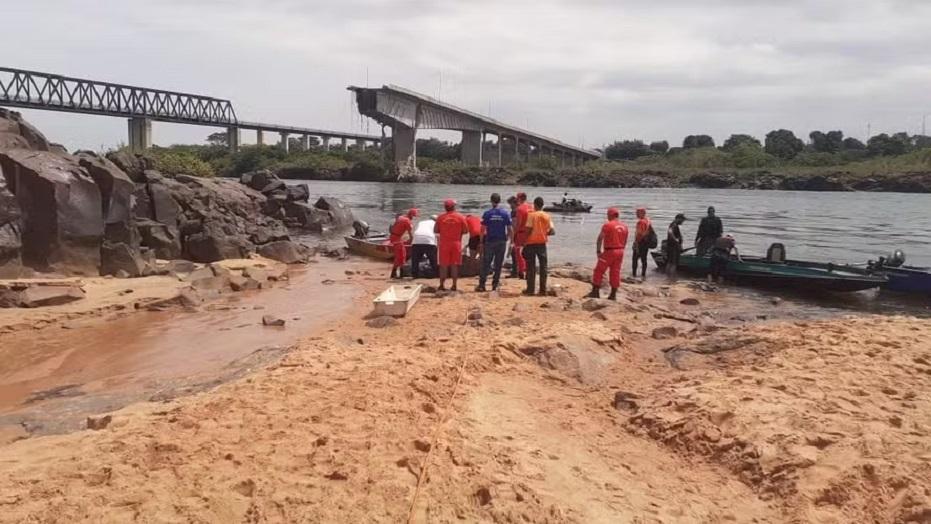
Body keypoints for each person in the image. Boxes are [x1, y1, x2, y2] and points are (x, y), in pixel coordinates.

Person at [587, 207, 629, 300]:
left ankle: (595, 292)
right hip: (620, 250)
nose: (607, 217)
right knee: (615, 272)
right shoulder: (625, 226)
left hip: (610, 251)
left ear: (610, 215)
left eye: (607, 215)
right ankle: (613, 294)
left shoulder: (608, 225)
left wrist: (598, 251)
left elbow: (600, 238)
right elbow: (625, 240)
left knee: (599, 271)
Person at [476, 193, 513, 292]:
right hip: (501, 241)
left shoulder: (488, 213)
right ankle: (495, 285)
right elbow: (510, 229)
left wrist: (480, 241)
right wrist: (510, 239)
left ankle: (482, 284)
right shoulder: (505, 213)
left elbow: (482, 229)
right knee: (498, 263)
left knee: (486, 263)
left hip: (490, 241)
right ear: (499, 201)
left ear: (491, 201)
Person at [522, 196, 555, 295]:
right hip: (542, 243)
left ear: (534, 205)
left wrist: (524, 241)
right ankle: (542, 290)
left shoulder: (532, 215)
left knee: (531, 267)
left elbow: (528, 229)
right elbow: (552, 231)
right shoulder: (547, 216)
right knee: (543, 267)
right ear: (543, 205)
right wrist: (544, 233)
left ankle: (530, 290)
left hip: (531, 243)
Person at [434, 199, 469, 291]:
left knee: (443, 265)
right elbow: (466, 230)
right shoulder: (460, 217)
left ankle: (442, 285)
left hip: (444, 244)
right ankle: (454, 285)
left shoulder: (440, 217)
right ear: (454, 207)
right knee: (454, 265)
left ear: (445, 207)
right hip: (456, 243)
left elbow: (436, 230)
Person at [388, 208, 417, 279]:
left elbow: (394, 226)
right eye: (413, 216)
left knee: (401, 255)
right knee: (401, 256)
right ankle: (397, 273)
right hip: (396, 238)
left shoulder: (401, 217)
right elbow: (411, 234)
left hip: (394, 237)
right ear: (411, 215)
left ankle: (398, 273)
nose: (413, 218)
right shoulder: (407, 221)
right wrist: (412, 241)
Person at [410, 214, 438, 279]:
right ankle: (435, 273)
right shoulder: (435, 223)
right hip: (428, 240)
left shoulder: (421, 222)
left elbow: (415, 231)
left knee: (415, 259)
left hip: (416, 239)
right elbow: (437, 235)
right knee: (433, 259)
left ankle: (414, 274)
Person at [513, 192, 532, 279]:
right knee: (529, 252)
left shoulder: (519, 209)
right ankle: (529, 269)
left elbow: (518, 223)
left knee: (518, 252)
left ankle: (521, 270)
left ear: (519, 198)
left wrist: (514, 234)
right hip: (530, 232)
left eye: (517, 198)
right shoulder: (531, 207)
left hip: (521, 232)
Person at [631, 208, 652, 279]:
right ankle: (643, 275)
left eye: (637, 213)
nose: (636, 214)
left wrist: (636, 244)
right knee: (644, 259)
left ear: (643, 213)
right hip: (646, 242)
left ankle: (634, 275)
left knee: (634, 259)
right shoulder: (648, 220)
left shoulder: (641, 222)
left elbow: (639, 234)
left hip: (640, 242)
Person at [506, 196, 520, 278]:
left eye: (510, 204)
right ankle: (517, 270)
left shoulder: (514, 212)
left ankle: (515, 272)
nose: (509, 206)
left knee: (513, 252)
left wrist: (509, 236)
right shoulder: (519, 210)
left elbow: (513, 225)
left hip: (516, 234)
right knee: (517, 253)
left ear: (513, 203)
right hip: (520, 234)